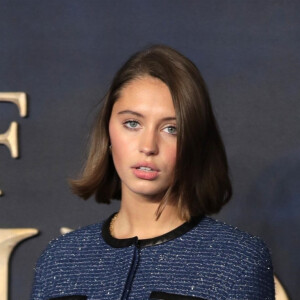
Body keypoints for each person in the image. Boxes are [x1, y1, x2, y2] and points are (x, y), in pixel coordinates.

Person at [30, 45, 275, 300]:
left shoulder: (237, 261)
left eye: (171, 129)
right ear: (108, 131)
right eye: (132, 123)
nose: (148, 147)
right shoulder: (60, 261)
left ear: (195, 141)